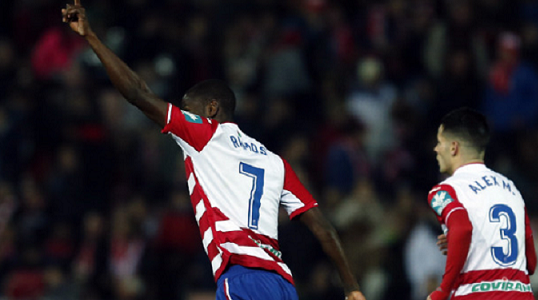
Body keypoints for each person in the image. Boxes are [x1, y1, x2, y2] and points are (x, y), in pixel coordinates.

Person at [61, 2, 366, 300]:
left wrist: (91, 37)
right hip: (283, 285)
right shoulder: (276, 163)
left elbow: (138, 93)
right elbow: (323, 227)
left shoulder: (204, 133)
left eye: (187, 108)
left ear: (210, 108)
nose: (183, 114)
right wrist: (351, 287)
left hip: (242, 276)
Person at [426, 108, 536, 300]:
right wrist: (475, 242)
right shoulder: (511, 189)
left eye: (439, 142)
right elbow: (531, 262)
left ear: (453, 147)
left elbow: (461, 228)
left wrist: (442, 290)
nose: (436, 149)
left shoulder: (445, 191)